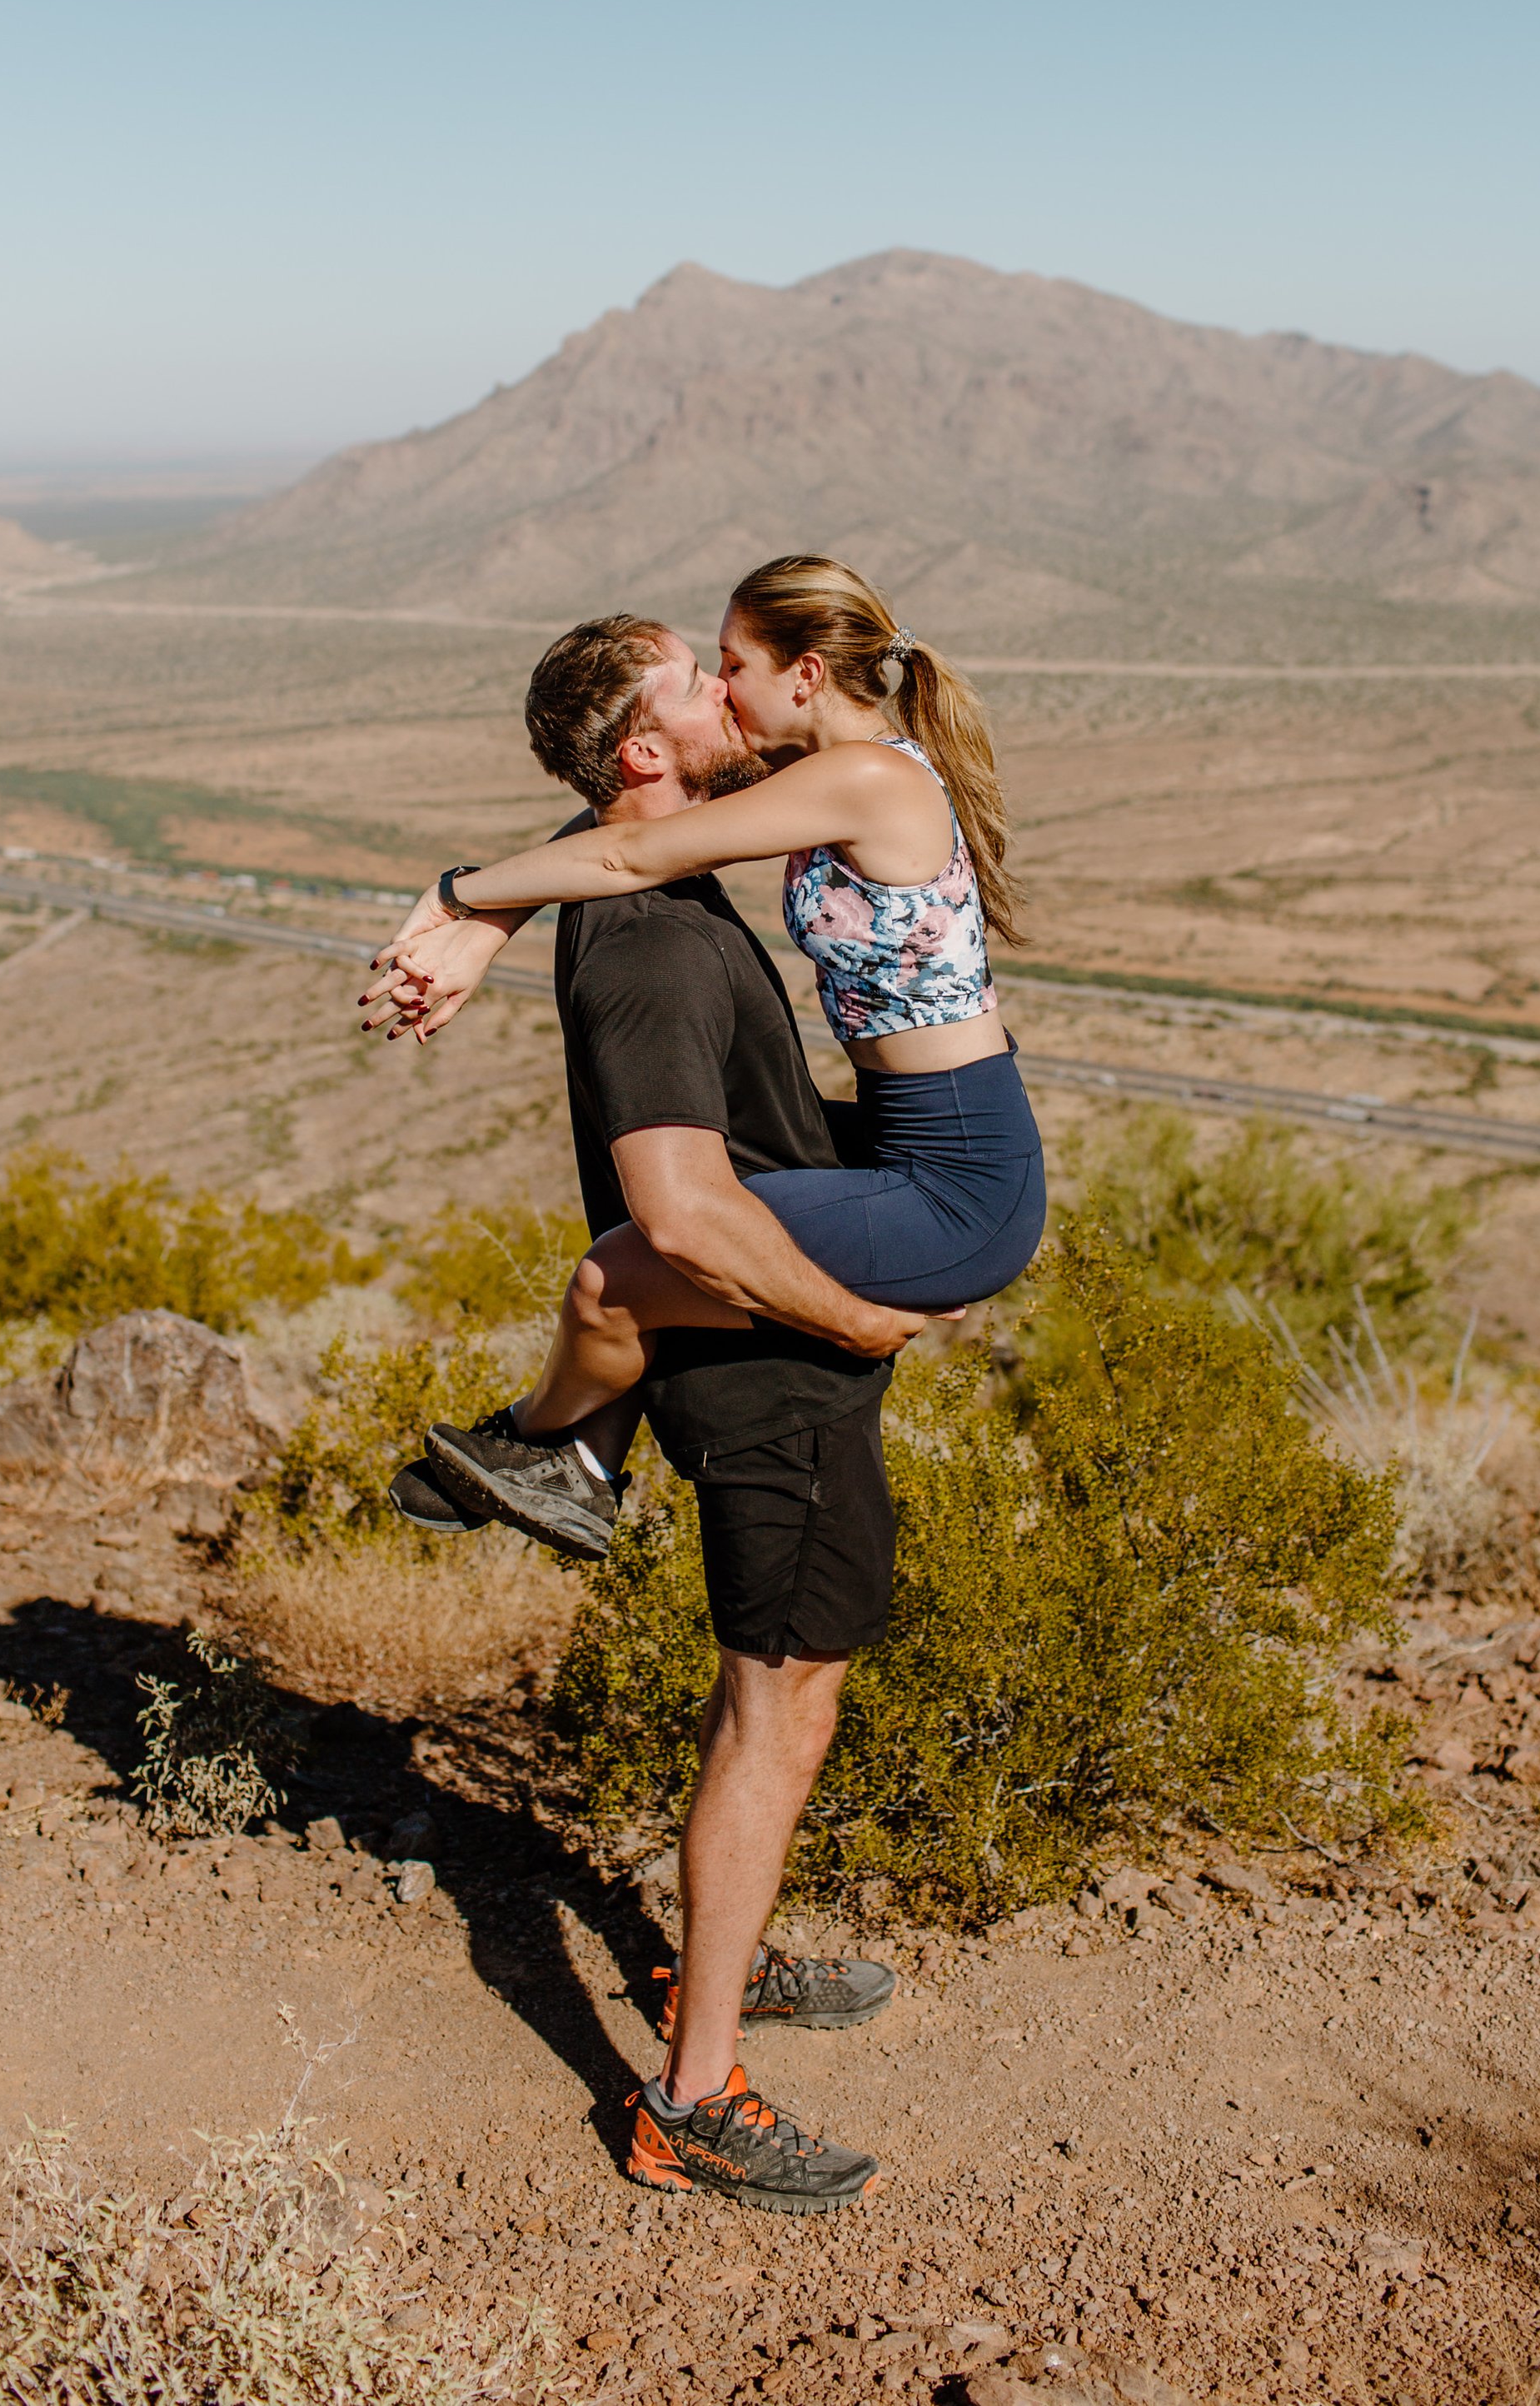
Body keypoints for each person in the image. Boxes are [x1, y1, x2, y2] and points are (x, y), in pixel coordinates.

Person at [363, 611, 906, 2209]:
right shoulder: (661, 946)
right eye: (700, 680)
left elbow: (589, 842)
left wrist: (469, 912)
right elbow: (679, 1215)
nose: (739, 688)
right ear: (647, 756)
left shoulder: (641, 872)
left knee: (779, 1700)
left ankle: (710, 1969)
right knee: (779, 1711)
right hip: (764, 1379)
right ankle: (694, 2092)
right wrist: (861, 1312)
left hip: (754, 1364)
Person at [376, 554, 1045, 1559]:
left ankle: (538, 1444)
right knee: (669, 1259)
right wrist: (492, 927)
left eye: (728, 664)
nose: (723, 690)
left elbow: (636, 850)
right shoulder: (814, 769)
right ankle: (578, 1465)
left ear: (806, 675)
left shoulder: (859, 779)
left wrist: (460, 897)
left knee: (618, 1277)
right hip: (909, 1136)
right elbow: (638, 808)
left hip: (956, 1172)